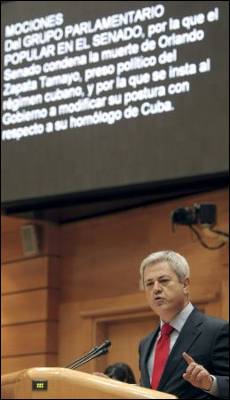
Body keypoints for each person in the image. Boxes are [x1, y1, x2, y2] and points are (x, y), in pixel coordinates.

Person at [138, 250, 229, 399]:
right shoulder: (145, 343)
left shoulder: (217, 331)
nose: (156, 289)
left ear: (185, 284)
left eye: (164, 280)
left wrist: (211, 383)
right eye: (149, 283)